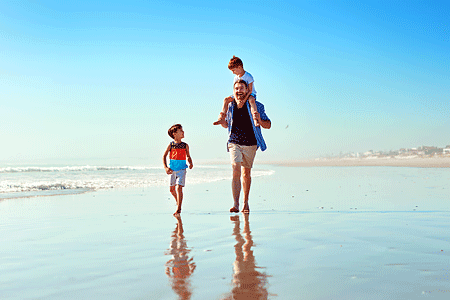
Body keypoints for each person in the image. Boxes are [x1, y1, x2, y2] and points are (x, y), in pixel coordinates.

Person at [219, 79, 271, 213]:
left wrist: (259, 120)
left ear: (247, 90)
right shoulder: (230, 106)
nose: (238, 91)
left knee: (246, 173)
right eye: (236, 88)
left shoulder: (257, 105)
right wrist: (222, 121)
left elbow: (268, 124)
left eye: (241, 88)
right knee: (235, 168)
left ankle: (245, 203)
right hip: (234, 142)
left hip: (251, 143)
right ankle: (235, 204)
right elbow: (226, 125)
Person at [214, 56, 260, 127]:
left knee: (252, 100)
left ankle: (255, 119)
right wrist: (237, 100)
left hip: (249, 94)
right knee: (226, 100)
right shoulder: (236, 78)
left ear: (239, 67)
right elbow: (234, 90)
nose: (233, 73)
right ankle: (222, 117)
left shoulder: (248, 76)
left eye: (233, 70)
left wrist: (244, 101)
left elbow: (250, 91)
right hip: (238, 94)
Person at [163, 124, 193, 216]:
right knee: (172, 190)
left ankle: (179, 208)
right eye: (181, 131)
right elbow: (164, 156)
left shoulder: (185, 145)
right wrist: (166, 167)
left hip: (182, 170)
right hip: (172, 170)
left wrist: (190, 163)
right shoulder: (171, 145)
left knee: (179, 188)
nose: (183, 132)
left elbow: (188, 156)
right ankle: (177, 200)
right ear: (175, 134)